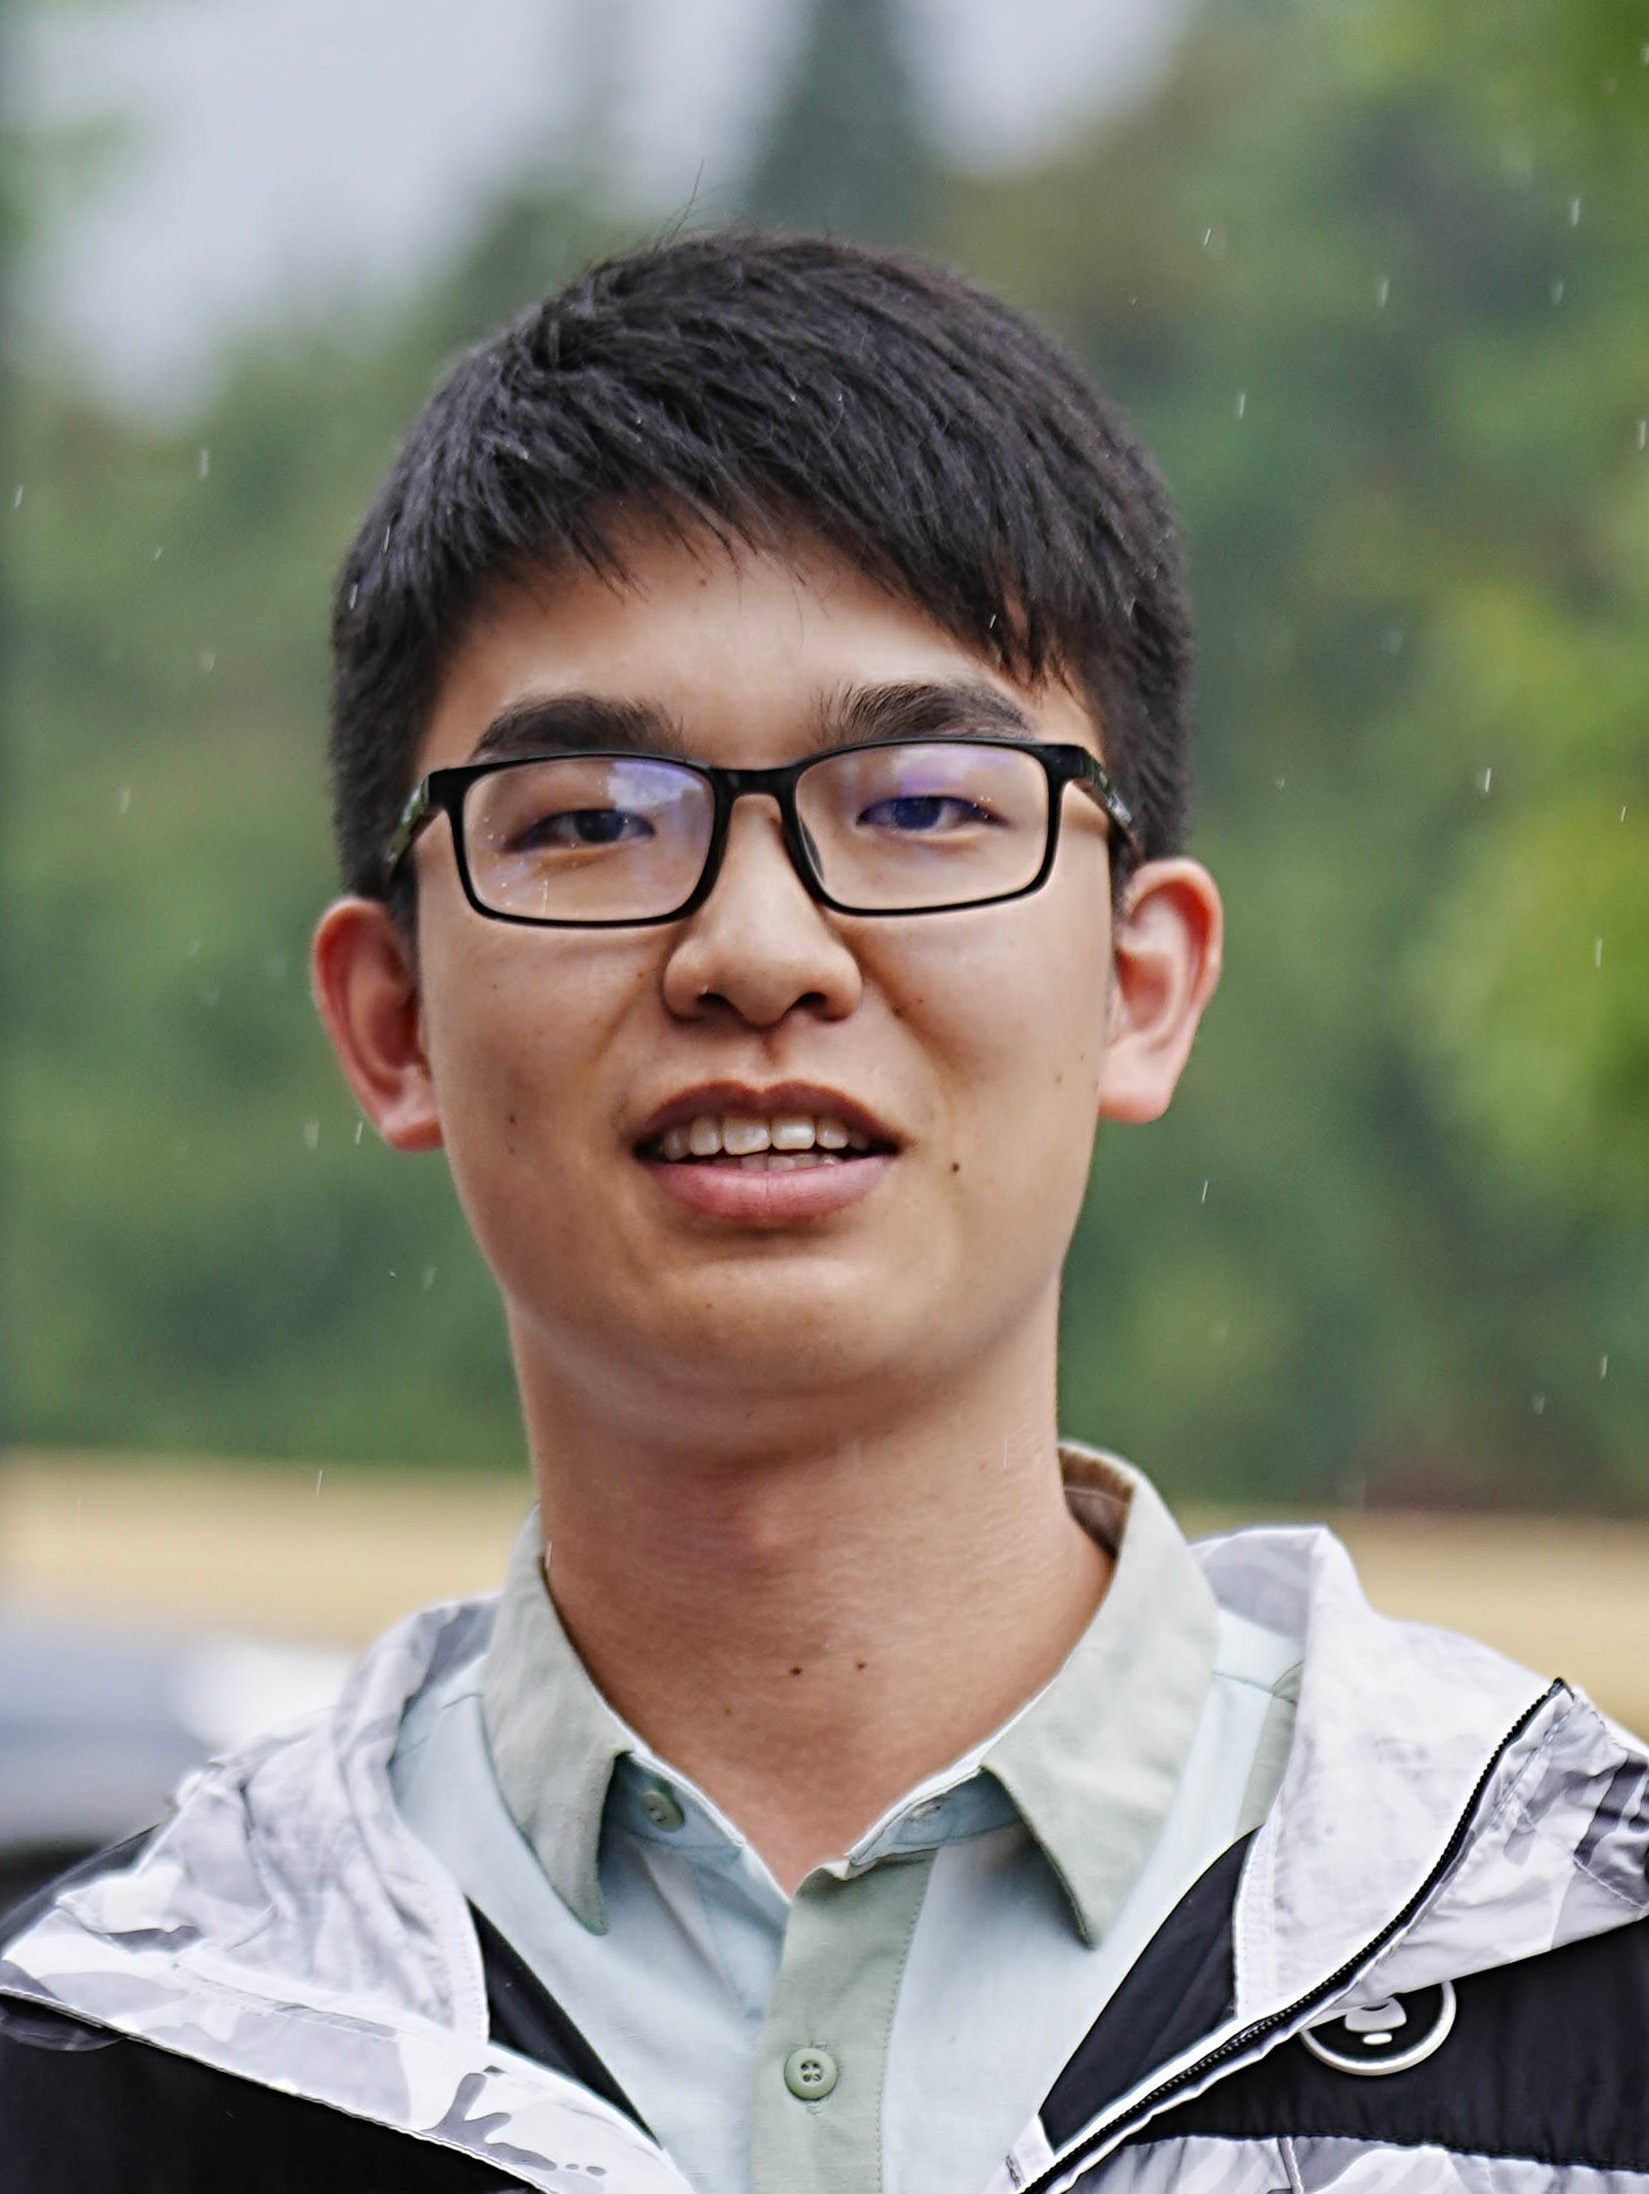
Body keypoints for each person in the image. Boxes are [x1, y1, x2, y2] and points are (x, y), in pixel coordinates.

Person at [2, 231, 1647, 2194]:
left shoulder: (1569, 1967)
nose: (757, 948)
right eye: (592, 818)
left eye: (926, 802)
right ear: (390, 1019)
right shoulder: (118, 2052)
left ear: (1141, 985)